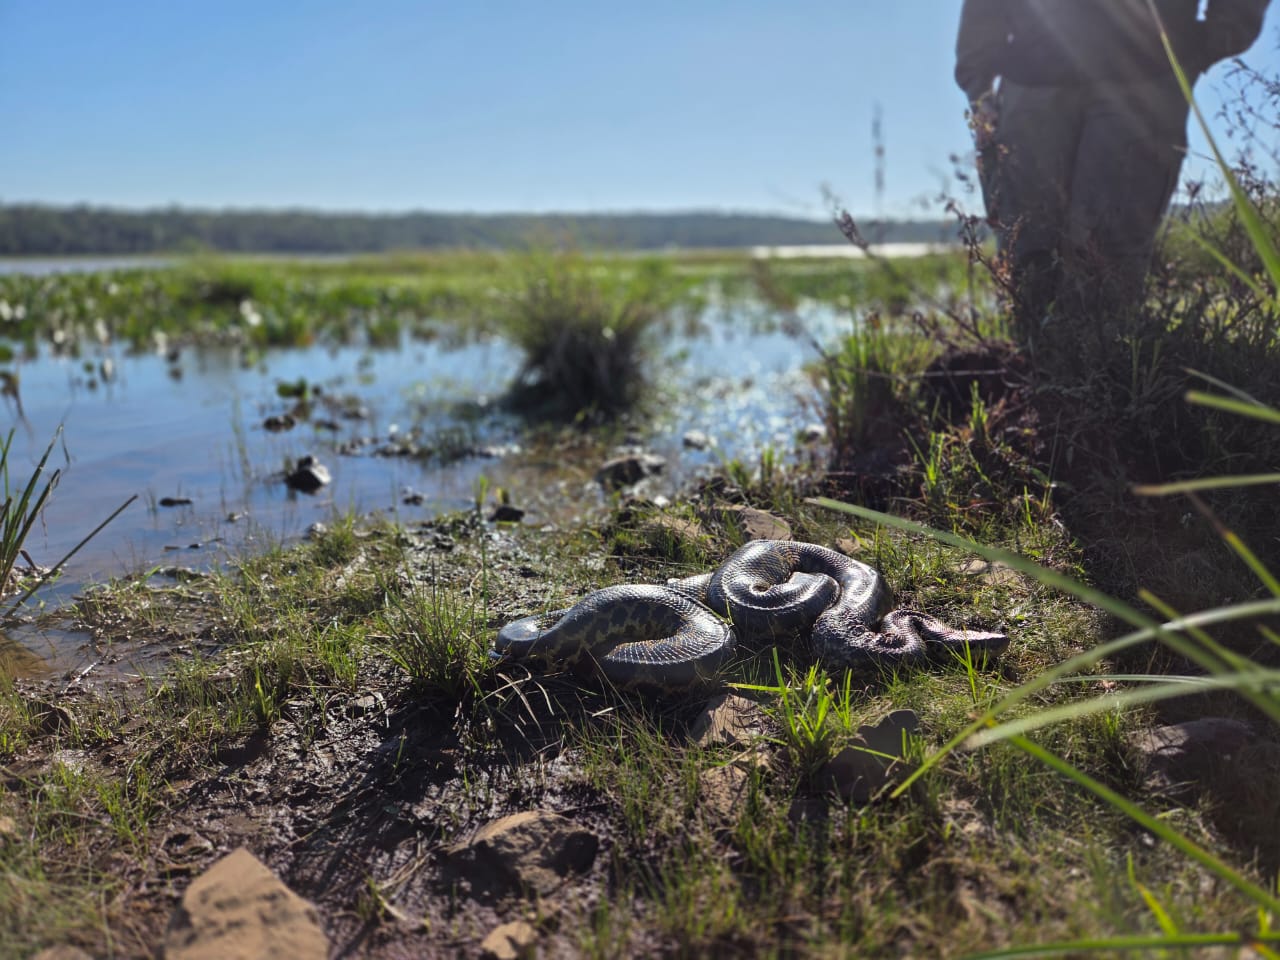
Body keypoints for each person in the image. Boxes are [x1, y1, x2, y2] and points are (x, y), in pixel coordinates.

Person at [955, 0, 1271, 356]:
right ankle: (1036, 391)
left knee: (1107, 271)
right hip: (1032, 78)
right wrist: (978, 78)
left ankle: (1104, 399)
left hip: (1145, 77)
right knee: (1029, 263)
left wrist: (1220, 33)